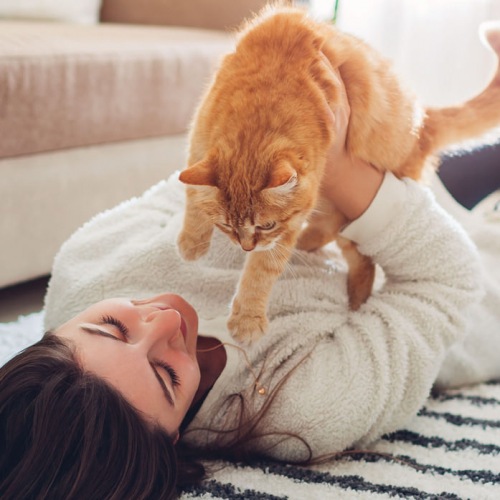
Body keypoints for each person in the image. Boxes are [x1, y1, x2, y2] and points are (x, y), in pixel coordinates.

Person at [2, 79, 500, 500]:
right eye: (164, 373)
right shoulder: (305, 411)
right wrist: (344, 171)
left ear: (59, 327)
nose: (166, 319)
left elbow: (183, 187)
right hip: (474, 279)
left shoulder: (84, 268)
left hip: (385, 202)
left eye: (110, 326)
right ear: (173, 436)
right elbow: (445, 279)